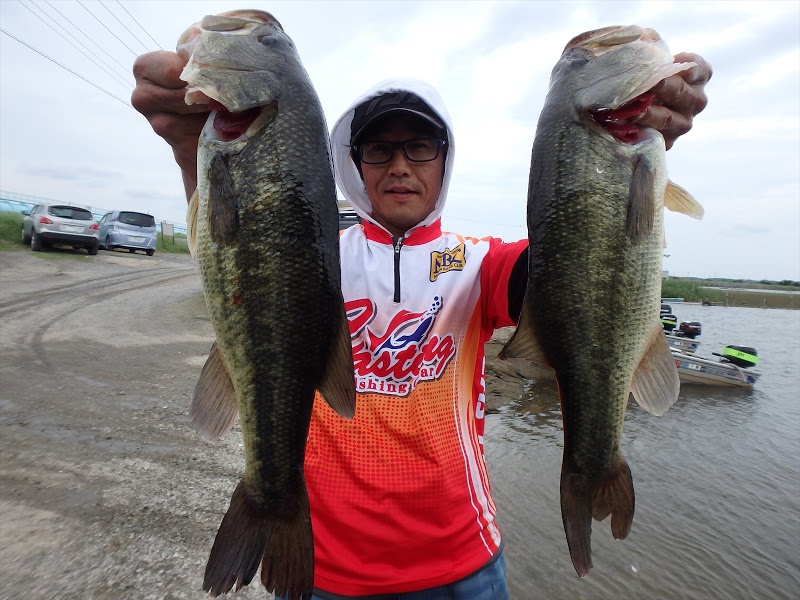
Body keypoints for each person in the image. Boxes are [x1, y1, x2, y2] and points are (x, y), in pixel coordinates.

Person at [132, 38, 711, 600]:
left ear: (445, 157)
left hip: (464, 563)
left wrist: (616, 167)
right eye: (379, 150)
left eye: (420, 147)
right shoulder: (309, 255)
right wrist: (193, 155)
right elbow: (241, 243)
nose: (400, 166)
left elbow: (578, 269)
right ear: (354, 164)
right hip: (324, 567)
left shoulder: (480, 262)